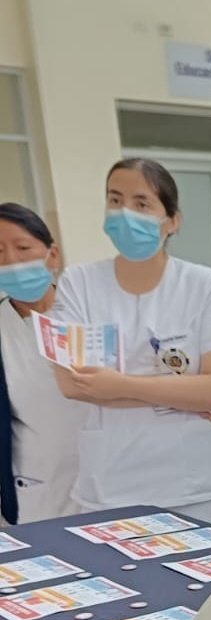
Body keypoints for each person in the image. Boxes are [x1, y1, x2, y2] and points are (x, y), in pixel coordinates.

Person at [51, 159, 211, 530]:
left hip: (203, 487)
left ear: (172, 220)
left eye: (141, 203)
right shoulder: (78, 284)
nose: (125, 213)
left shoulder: (205, 285)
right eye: (115, 200)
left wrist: (120, 386)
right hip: (111, 485)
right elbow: (74, 383)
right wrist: (186, 395)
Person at [0, 203, 85, 523]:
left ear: (52, 254)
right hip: (34, 486)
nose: (10, 261)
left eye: (23, 248)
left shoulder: (87, 314)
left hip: (109, 478)